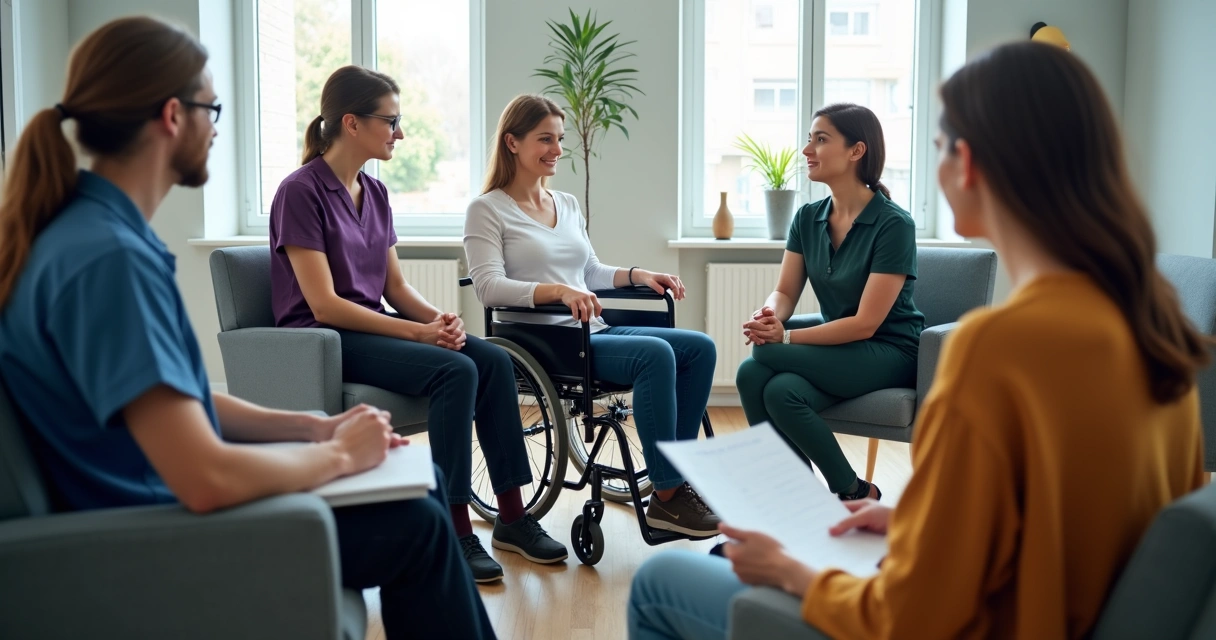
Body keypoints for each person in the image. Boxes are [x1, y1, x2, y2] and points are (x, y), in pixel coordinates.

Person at [628, 41, 1207, 640]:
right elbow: (1063, 517)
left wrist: (793, 573)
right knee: (771, 380)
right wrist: (910, 521)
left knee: (660, 580)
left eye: (938, 148)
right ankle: (824, 497)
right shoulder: (1152, 328)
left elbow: (911, 616)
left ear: (970, 164)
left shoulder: (999, 350)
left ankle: (810, 510)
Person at [0, 18, 495, 640]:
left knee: (419, 491)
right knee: (416, 524)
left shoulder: (89, 233)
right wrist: (338, 456)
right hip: (147, 535)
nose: (216, 126)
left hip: (152, 501)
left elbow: (179, 400)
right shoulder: (108, 259)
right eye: (214, 108)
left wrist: (315, 427)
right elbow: (205, 477)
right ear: (172, 115)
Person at [269, 67, 568, 584]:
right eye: (391, 121)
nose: (400, 133)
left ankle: (512, 518)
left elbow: (396, 290)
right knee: (455, 372)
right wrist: (418, 335)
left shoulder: (376, 193)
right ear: (351, 123)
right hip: (324, 339)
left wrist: (442, 321)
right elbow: (323, 304)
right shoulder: (300, 192)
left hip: (368, 326)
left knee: (491, 358)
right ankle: (453, 527)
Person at [464, 94, 720, 536]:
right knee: (655, 355)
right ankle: (667, 496)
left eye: (560, 139)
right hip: (547, 343)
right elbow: (489, 287)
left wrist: (641, 273)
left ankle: (676, 477)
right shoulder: (487, 209)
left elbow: (589, 272)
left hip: (591, 329)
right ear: (512, 142)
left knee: (698, 348)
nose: (557, 149)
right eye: (545, 139)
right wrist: (557, 291)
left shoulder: (565, 203)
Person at [736, 103, 923, 502]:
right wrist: (769, 315)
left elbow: (865, 325)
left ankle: (834, 493)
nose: (807, 149)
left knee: (765, 358)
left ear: (857, 151)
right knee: (762, 383)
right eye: (809, 138)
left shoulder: (894, 224)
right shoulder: (807, 217)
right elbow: (785, 291)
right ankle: (818, 493)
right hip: (841, 349)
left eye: (820, 139)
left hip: (889, 350)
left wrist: (783, 339)